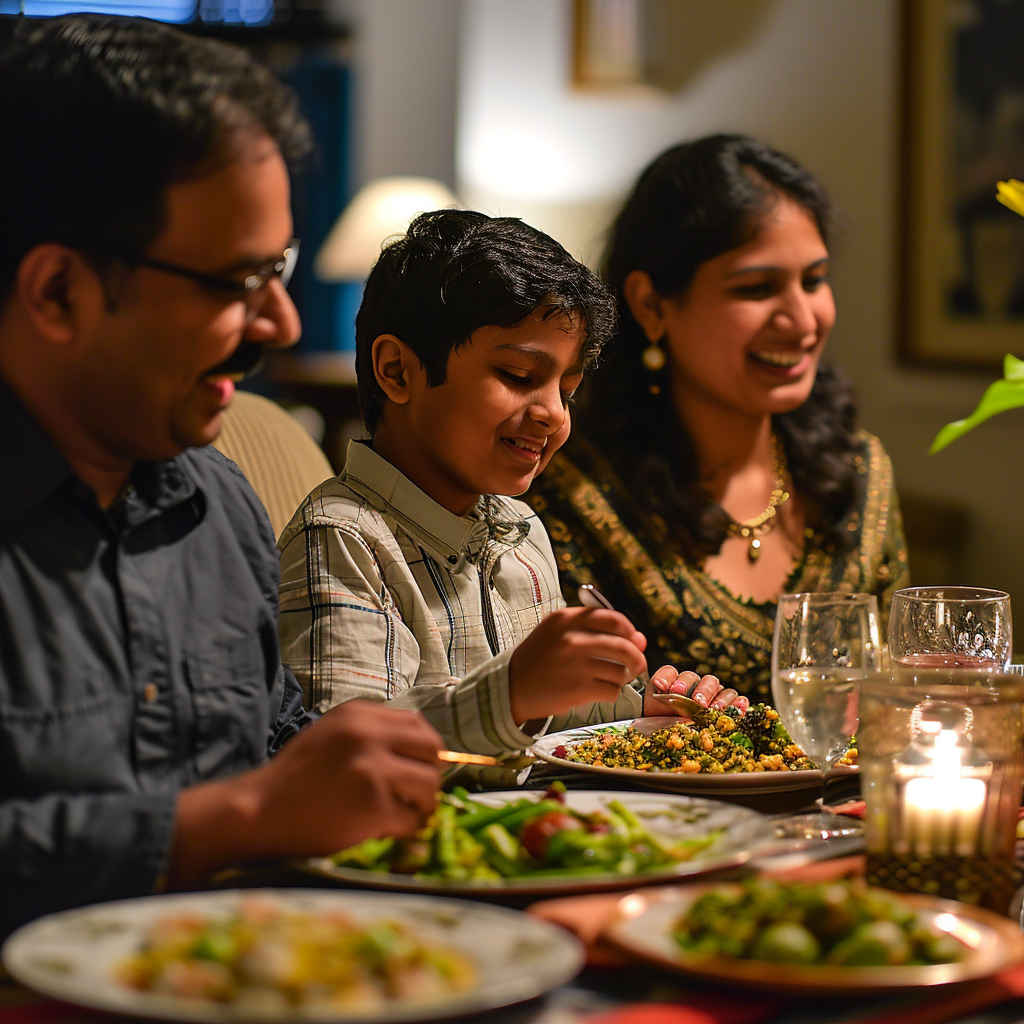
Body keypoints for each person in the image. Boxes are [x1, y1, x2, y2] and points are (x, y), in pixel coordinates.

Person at [0, 14, 444, 938]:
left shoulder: (217, 498)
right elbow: (254, 807)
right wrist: (230, 821)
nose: (281, 323)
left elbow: (277, 741)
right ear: (57, 293)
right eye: (237, 281)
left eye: (278, 271)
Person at [277, 210, 741, 755]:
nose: (553, 415)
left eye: (567, 391)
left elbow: (547, 712)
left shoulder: (520, 530)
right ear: (398, 372)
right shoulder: (343, 538)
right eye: (520, 377)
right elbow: (341, 748)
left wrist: (638, 707)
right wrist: (513, 691)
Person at [528, 135, 909, 704]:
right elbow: (566, 720)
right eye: (757, 288)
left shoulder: (858, 473)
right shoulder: (569, 494)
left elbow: (900, 692)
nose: (803, 319)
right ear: (652, 305)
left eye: (814, 280)